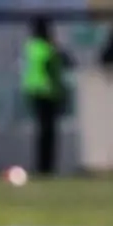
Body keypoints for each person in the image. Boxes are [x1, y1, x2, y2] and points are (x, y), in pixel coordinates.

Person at [21, 17, 71, 177]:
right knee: (48, 133)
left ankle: (43, 166)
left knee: (42, 132)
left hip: (34, 92)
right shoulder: (47, 48)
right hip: (49, 93)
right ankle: (46, 167)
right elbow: (60, 62)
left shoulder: (30, 47)